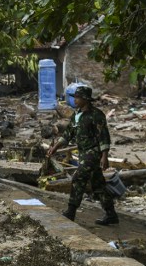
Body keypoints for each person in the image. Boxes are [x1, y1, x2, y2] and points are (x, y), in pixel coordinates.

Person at [46, 86, 118, 225]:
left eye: (77, 98)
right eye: (74, 97)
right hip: (83, 153)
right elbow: (68, 134)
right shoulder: (76, 114)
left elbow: (103, 136)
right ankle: (111, 214)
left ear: (85, 99)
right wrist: (55, 147)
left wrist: (104, 156)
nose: (75, 100)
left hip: (93, 153)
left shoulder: (96, 115)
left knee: (78, 179)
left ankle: (71, 212)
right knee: (98, 184)